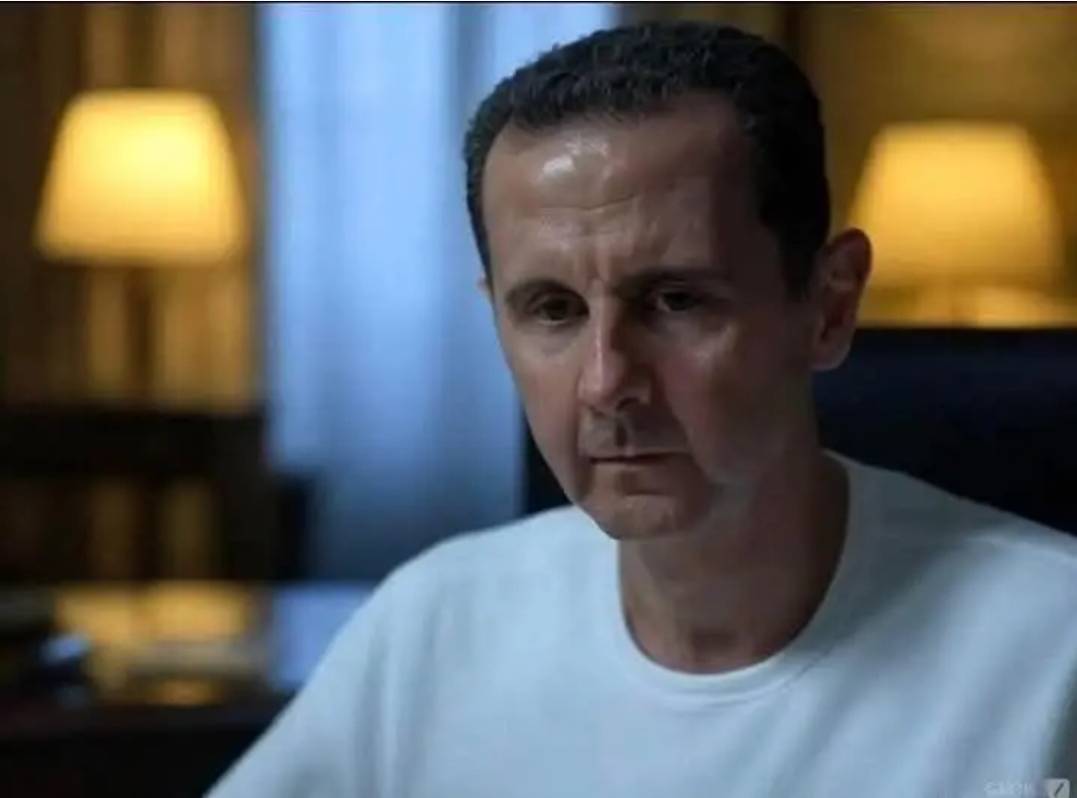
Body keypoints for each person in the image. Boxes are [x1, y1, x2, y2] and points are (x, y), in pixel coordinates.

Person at [210, 20, 1077, 797]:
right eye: (552, 309)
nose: (604, 381)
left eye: (674, 301)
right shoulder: (435, 623)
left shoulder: (1051, 650)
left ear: (827, 306)